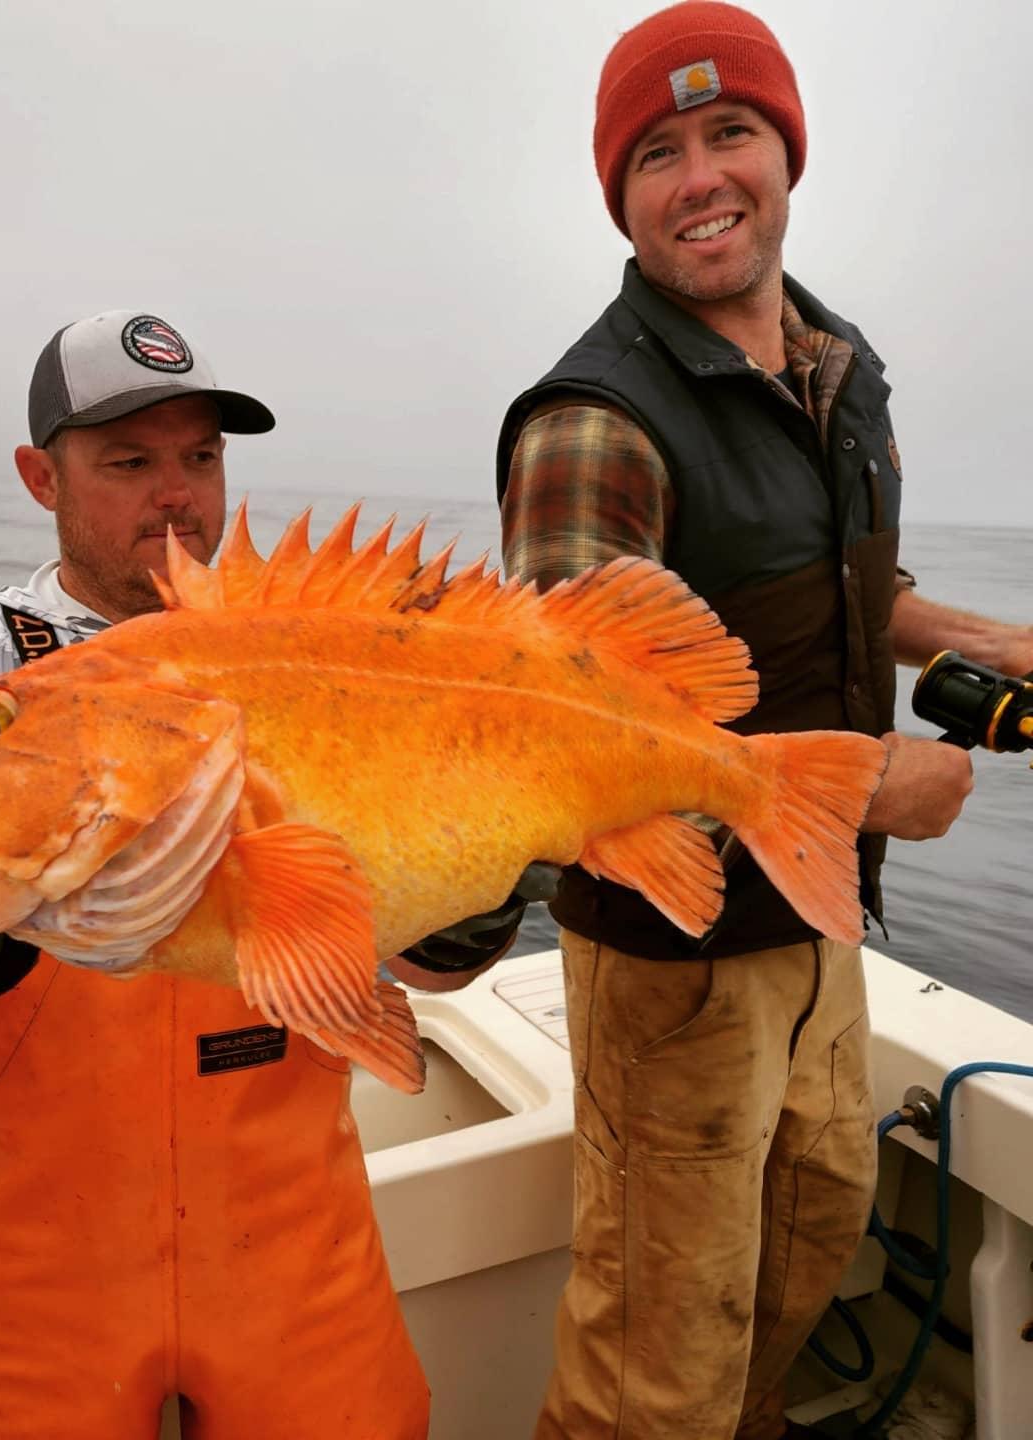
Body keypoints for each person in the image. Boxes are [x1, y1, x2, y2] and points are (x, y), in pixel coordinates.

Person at [494, 6, 1033, 1438]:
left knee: (811, 1233)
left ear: (786, 153)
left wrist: (990, 639)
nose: (699, 177)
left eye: (729, 131)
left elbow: (849, 580)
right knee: (654, 1359)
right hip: (673, 961)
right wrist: (874, 791)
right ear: (620, 196)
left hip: (816, 926)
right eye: (655, 153)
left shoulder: (833, 367)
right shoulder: (595, 423)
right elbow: (568, 732)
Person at [0, 309, 460, 1440]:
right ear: (41, 477)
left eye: (201, 458)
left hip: (292, 1237)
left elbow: (409, 947)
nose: (178, 495)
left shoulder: (314, 643)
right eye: (130, 462)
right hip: (42, 1262)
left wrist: (471, 903)